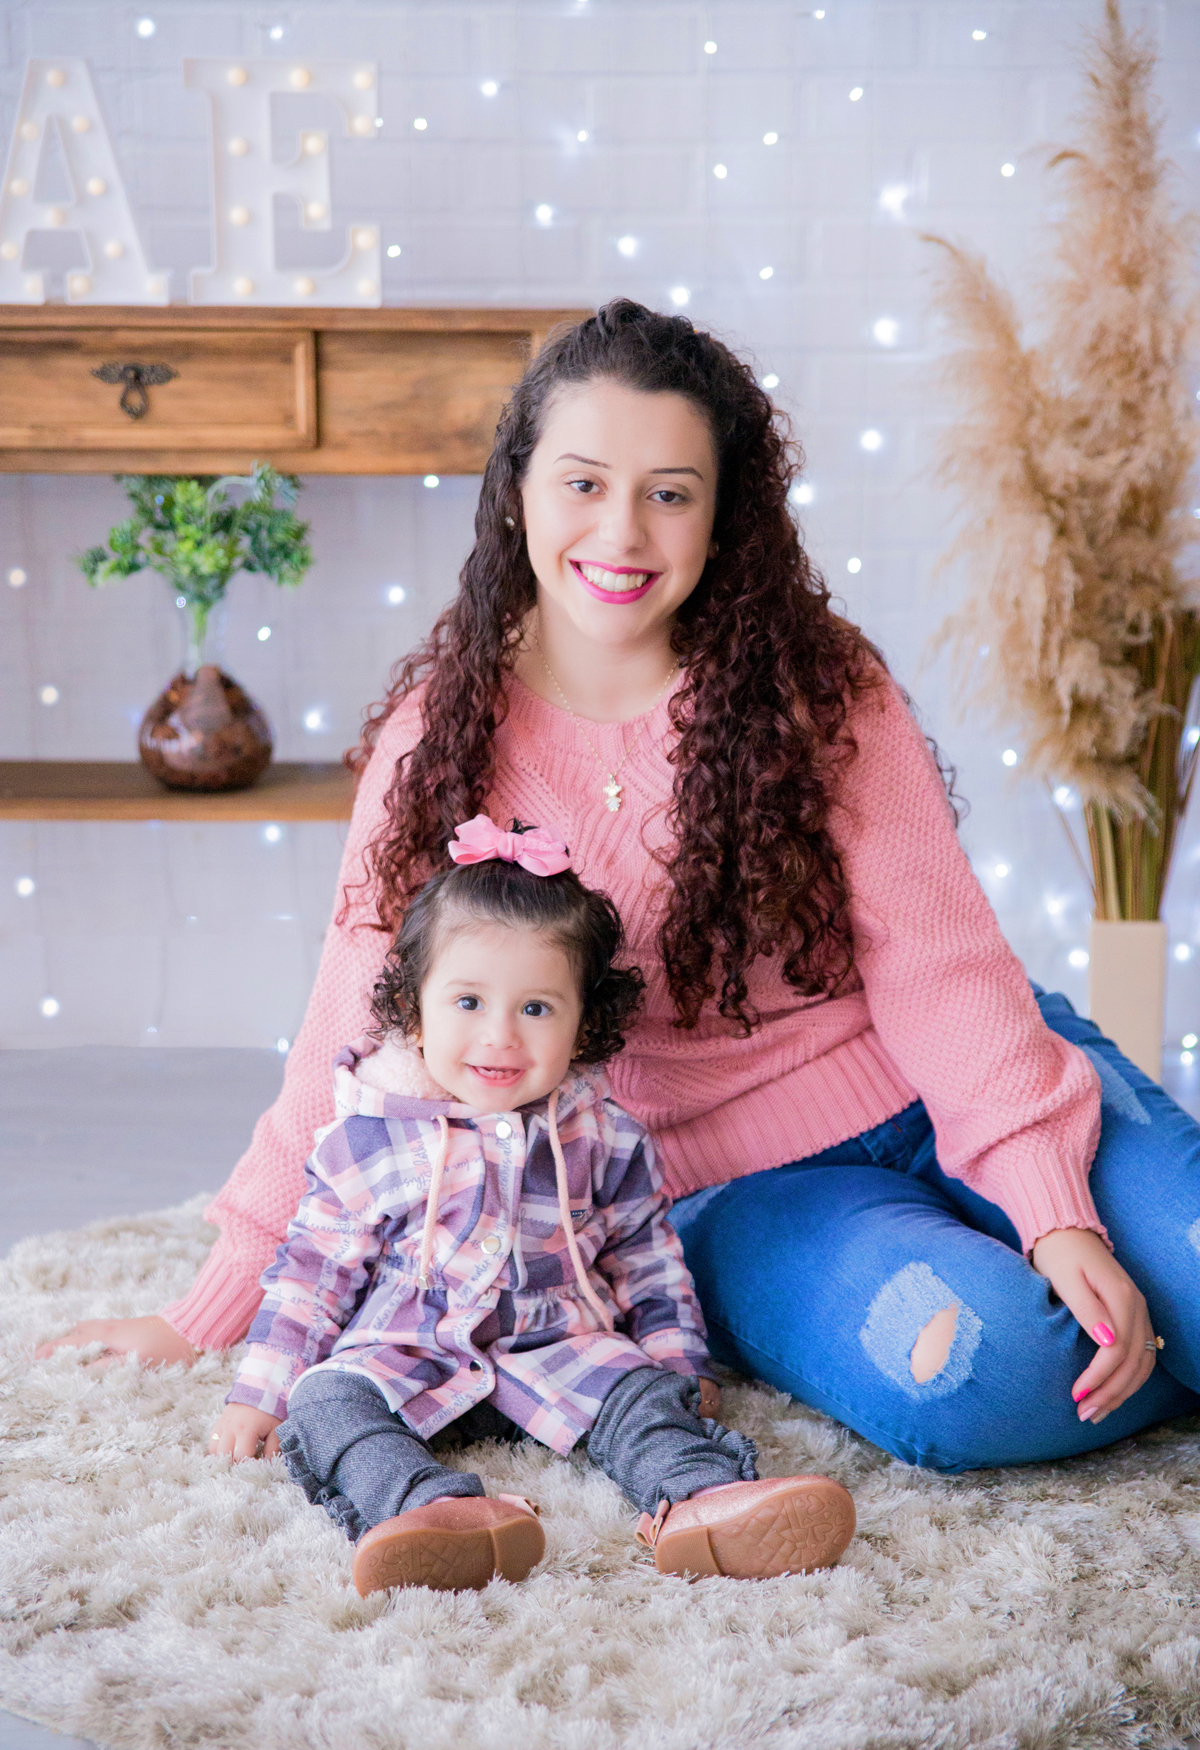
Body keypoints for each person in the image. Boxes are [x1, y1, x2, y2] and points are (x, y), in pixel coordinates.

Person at [41, 299, 1200, 1472]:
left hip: (956, 1073)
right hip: (740, 1193)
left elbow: (938, 959)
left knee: (1189, 1272)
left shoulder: (818, 686)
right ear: (519, 492)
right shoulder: (440, 736)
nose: (624, 531)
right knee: (991, 1369)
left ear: (720, 515)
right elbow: (348, 1033)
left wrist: (1051, 1204)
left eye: (670, 492)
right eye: (585, 483)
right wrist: (212, 1307)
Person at [206, 817, 857, 1594]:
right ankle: (426, 1514)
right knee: (325, 1403)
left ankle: (704, 1499)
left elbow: (645, 1254)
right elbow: (312, 1274)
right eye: (470, 1001)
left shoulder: (602, 1135)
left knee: (645, 1393)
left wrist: (677, 1354)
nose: (501, 1036)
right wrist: (261, 1393)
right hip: (410, 1349)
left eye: (537, 1009)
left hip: (556, 1343)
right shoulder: (368, 1138)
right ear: (415, 1012)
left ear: (585, 1025)